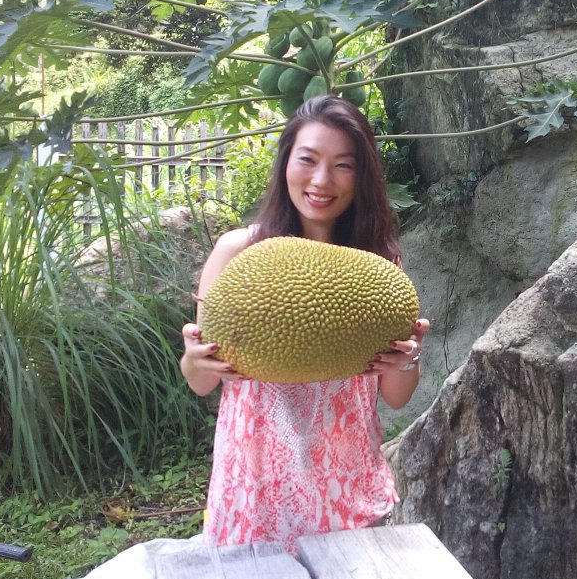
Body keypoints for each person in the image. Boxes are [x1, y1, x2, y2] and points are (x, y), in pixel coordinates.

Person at [178, 95, 428, 553]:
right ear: (285, 163)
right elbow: (199, 383)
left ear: (362, 176)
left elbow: (396, 396)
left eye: (342, 166)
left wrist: (406, 357)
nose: (321, 180)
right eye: (308, 160)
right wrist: (197, 360)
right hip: (258, 484)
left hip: (344, 478)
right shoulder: (238, 254)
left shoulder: (378, 266)